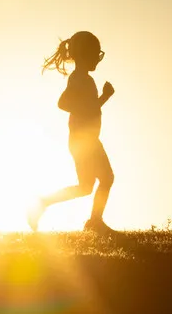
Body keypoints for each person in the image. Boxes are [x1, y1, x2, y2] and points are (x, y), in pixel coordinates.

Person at [28, 31, 116, 233]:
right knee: (102, 180)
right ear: (87, 55)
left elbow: (90, 107)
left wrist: (103, 98)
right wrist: (103, 97)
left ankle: (91, 220)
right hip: (83, 141)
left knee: (90, 185)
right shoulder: (79, 79)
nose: (98, 60)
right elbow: (63, 103)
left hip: (88, 140)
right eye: (96, 55)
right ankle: (92, 221)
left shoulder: (84, 79)